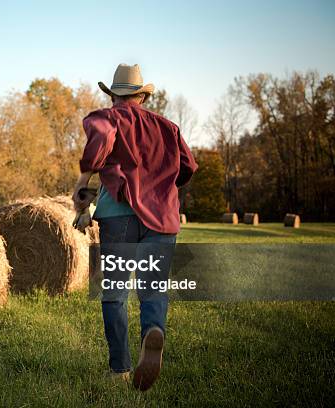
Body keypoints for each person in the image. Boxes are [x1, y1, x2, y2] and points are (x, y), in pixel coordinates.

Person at [72, 64, 198, 391]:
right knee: (153, 288)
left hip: (119, 215)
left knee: (113, 293)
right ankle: (152, 332)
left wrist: (84, 182)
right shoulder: (168, 127)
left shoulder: (108, 117)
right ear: (142, 96)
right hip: (164, 217)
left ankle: (120, 368)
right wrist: (162, 186)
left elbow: (100, 138)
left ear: (113, 94)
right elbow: (188, 168)